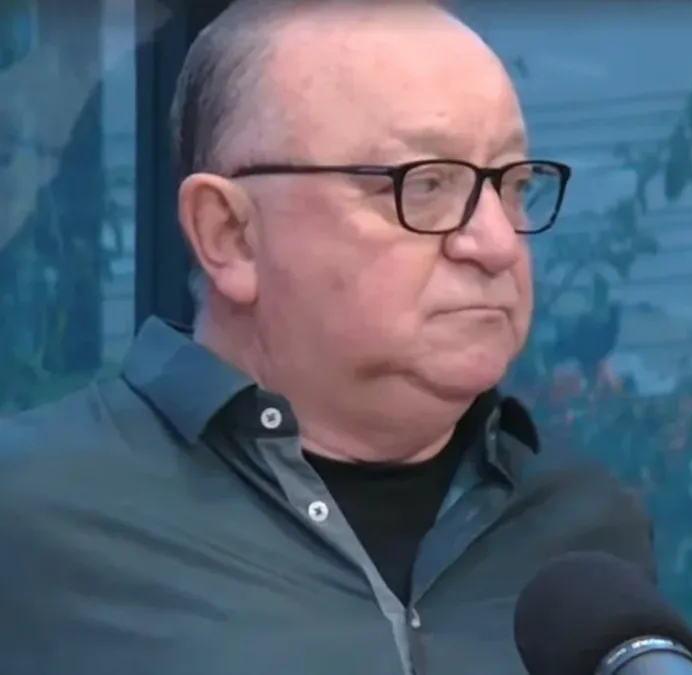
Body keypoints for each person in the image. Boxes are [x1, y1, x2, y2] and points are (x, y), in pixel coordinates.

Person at [0, 2, 656, 674]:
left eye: (512, 185)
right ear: (230, 234)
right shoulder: (30, 517)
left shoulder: (587, 543)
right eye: (425, 185)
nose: (496, 243)